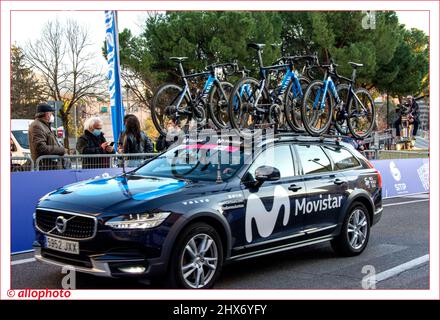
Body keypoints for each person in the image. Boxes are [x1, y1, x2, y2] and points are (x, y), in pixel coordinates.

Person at [28, 103, 66, 170]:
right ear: (47, 114)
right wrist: (61, 150)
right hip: (45, 166)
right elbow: (41, 148)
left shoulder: (44, 125)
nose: (52, 116)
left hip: (50, 165)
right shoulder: (37, 126)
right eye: (51, 113)